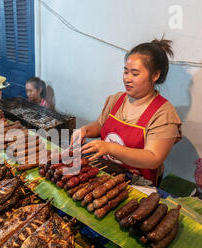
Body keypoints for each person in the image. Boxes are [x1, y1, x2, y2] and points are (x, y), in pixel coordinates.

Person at [71, 38, 182, 186]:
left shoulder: (164, 113)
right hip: (107, 172)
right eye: (126, 72)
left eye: (135, 74)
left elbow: (153, 158)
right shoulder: (116, 99)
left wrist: (110, 148)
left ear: (155, 75)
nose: (127, 79)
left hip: (139, 183)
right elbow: (100, 124)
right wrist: (85, 130)